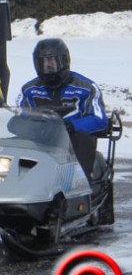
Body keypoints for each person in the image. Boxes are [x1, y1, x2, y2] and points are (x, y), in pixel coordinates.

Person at [18, 37, 108, 178]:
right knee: (11, 145)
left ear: (64, 60)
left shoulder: (85, 88)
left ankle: (79, 188)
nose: (49, 66)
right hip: (41, 138)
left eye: (53, 61)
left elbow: (99, 119)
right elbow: (21, 115)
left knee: (82, 139)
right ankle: (14, 185)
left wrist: (71, 126)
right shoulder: (29, 90)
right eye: (44, 62)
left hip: (73, 140)